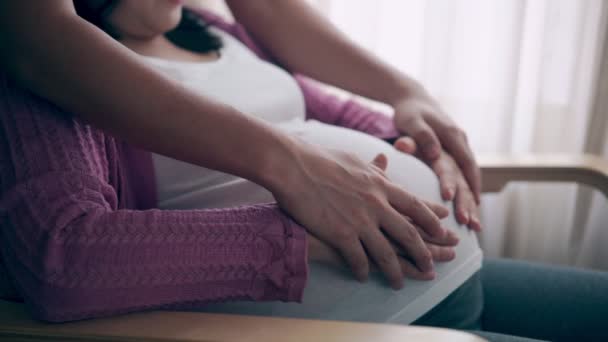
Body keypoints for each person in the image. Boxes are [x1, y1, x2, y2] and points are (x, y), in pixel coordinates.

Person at [0, 1, 606, 341]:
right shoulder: (61, 80)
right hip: (367, 323)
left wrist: (417, 142)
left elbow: (322, 113)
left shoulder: (213, 30)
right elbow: (62, 260)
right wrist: (296, 238)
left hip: (451, 277)